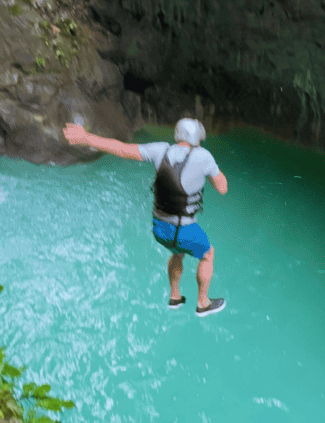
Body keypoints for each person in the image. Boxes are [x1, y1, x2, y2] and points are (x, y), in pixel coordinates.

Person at [62, 117, 228, 316]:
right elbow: (222, 188)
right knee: (208, 254)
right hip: (184, 231)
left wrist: (86, 138)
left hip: (160, 229)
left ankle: (175, 296)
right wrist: (215, 172)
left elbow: (122, 149)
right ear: (196, 137)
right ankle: (203, 303)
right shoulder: (204, 156)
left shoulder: (161, 150)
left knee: (177, 252)